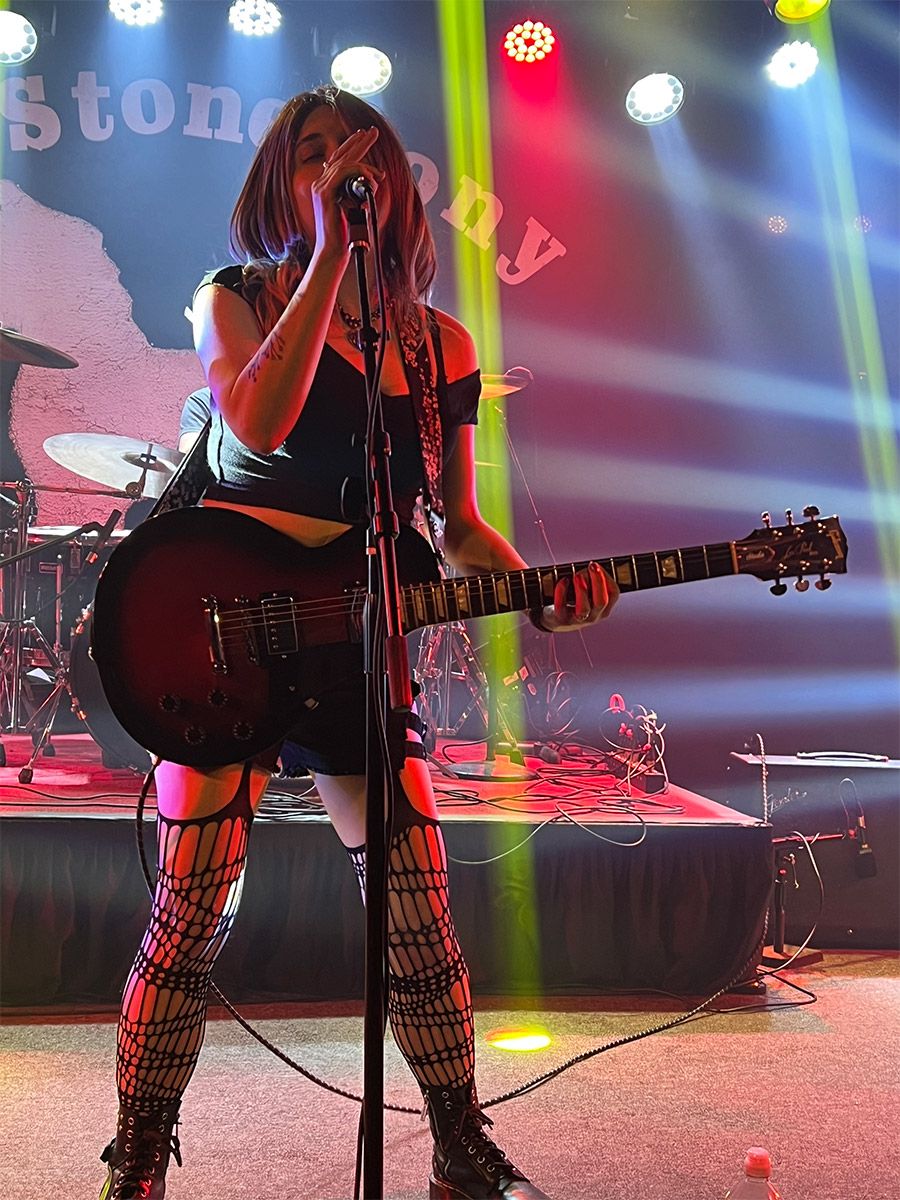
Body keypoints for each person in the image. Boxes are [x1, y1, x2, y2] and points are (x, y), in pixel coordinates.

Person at [98, 86, 617, 1200]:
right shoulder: (235, 297)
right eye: (314, 153)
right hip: (222, 632)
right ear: (281, 183)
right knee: (192, 906)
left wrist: (537, 594)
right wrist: (329, 260)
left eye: (357, 151)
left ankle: (459, 1144)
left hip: (359, 643)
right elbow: (256, 425)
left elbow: (457, 525)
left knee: (419, 912)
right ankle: (137, 1156)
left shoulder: (437, 347)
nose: (340, 168)